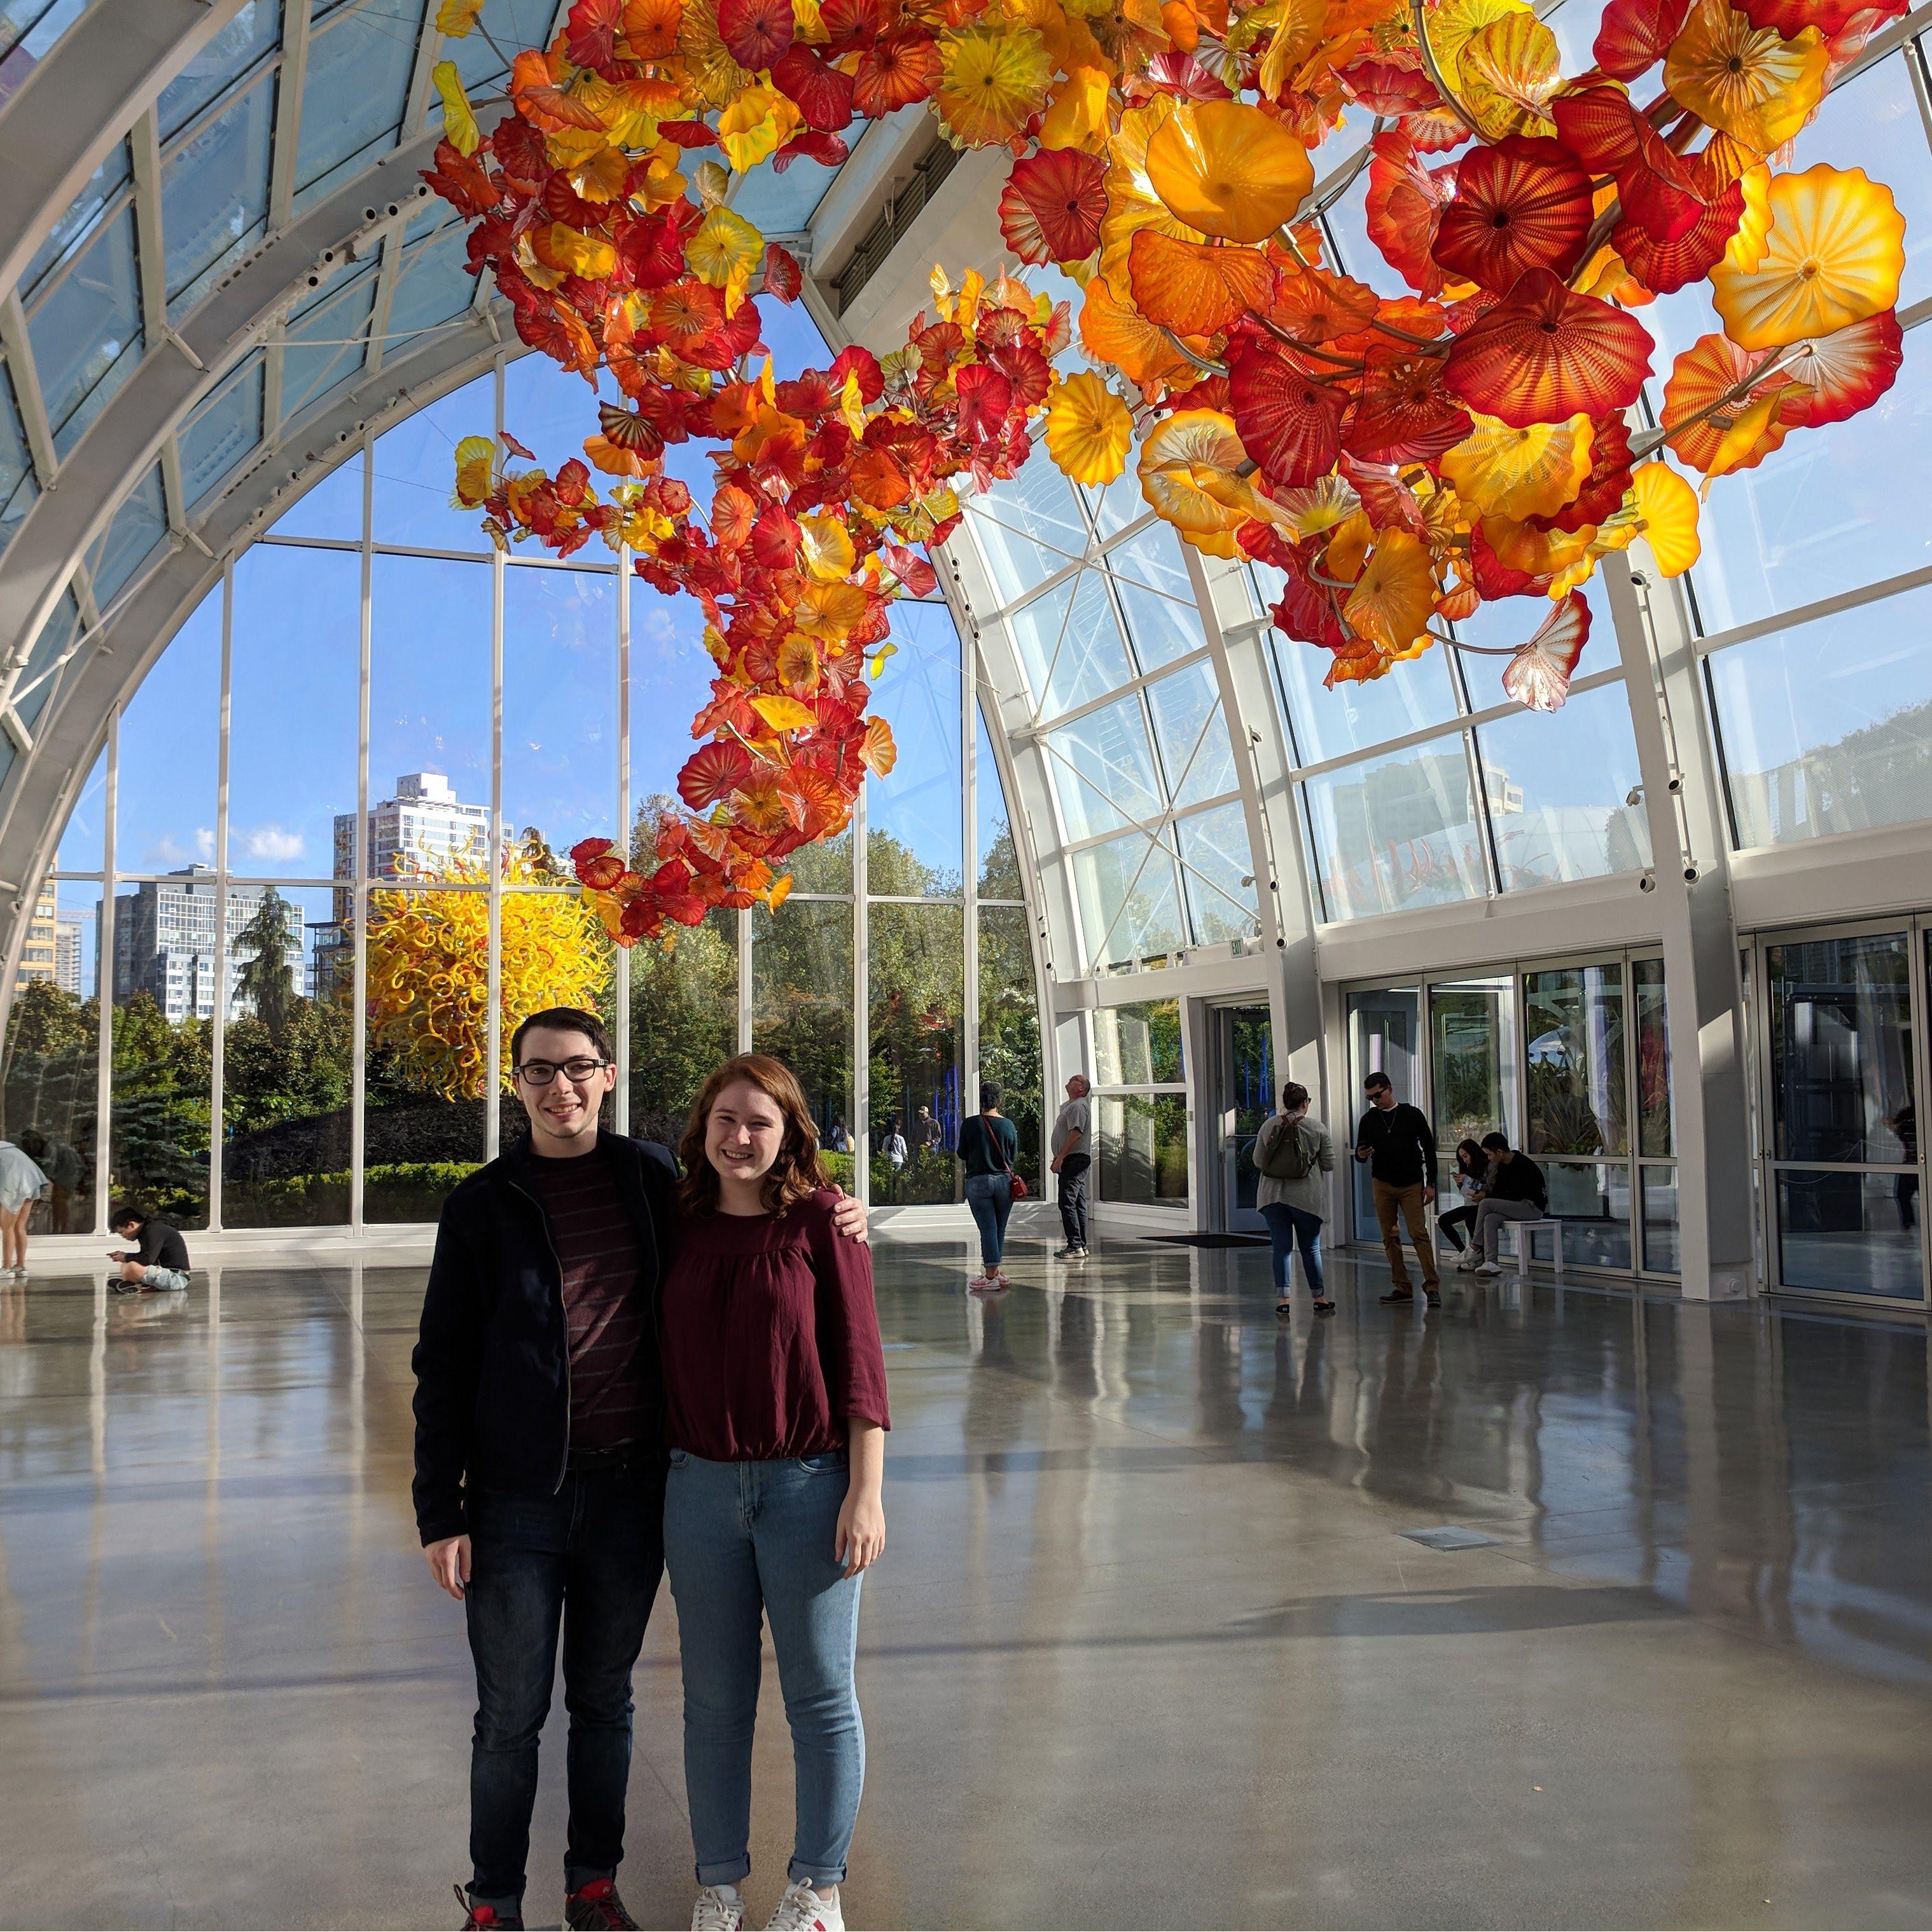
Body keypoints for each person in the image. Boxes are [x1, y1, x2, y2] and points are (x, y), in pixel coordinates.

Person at [413, 1007, 870, 1932]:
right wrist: (440, 1507)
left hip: (633, 1489)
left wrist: (853, 1210)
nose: (560, 1086)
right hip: (519, 1499)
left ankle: (594, 1883)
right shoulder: (482, 1203)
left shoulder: (650, 1179)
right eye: (539, 1071)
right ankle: (495, 1899)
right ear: (518, 1083)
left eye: (578, 1066)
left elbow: (773, 1216)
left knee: (605, 1701)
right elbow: (443, 1362)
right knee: (509, 1711)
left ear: (608, 1075)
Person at [662, 1055, 889, 1932]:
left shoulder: (827, 1223)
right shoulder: (675, 1221)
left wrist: (863, 1494)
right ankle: (718, 1885)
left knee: (820, 1694)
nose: (741, 1137)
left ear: (791, 1131)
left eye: (760, 1122)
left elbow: (861, 1362)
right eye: (726, 1119)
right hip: (697, 1491)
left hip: (810, 1486)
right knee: (713, 1700)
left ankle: (816, 1888)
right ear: (702, 1127)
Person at [1353, 1072, 1440, 1307]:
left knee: (1418, 1233)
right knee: (1390, 1236)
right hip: (1382, 1183)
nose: (1375, 1101)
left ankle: (1432, 1285)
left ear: (1389, 1089)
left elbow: (1429, 1148)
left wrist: (1431, 1183)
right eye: (1370, 1098)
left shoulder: (1411, 1114)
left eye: (1378, 1095)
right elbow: (1361, 1150)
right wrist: (1360, 1154)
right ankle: (1402, 1286)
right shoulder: (1369, 1119)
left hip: (1411, 1182)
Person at [1254, 1081, 1335, 1317]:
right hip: (1306, 1198)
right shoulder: (1317, 1128)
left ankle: (1283, 1300)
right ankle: (1319, 1298)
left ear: (1284, 1103)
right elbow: (1329, 1165)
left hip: (1272, 1197)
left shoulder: (1268, 1125)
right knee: (1310, 1249)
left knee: (1281, 1249)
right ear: (1304, 1103)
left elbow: (1258, 1160)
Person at [957, 1080, 1022, 1291]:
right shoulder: (1008, 1125)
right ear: (999, 1100)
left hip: (978, 1181)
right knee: (999, 1228)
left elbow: (962, 1153)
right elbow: (1012, 1155)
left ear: (981, 1100)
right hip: (1004, 1181)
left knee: (987, 1228)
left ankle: (991, 1276)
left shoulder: (970, 1124)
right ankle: (996, 1270)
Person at [1471, 1132, 1549, 1274]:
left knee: (1485, 1204)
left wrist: (1488, 1196)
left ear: (1499, 1152)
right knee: (1490, 1218)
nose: (1489, 1158)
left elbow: (1514, 1195)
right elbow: (1499, 1191)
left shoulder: (1522, 1164)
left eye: (1490, 1155)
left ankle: (1475, 1247)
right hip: (1518, 1206)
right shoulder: (1502, 1165)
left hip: (1532, 1207)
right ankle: (1491, 1262)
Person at [1048, 1074, 1092, 1260]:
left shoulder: (1078, 1106)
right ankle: (1081, 1244)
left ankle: (1074, 1245)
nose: (1069, 1080)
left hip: (1074, 1160)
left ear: (1082, 1088)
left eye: (1074, 1079)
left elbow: (1076, 1134)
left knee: (1067, 1202)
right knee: (1077, 1202)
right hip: (1074, 1159)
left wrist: (1061, 1157)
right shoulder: (1072, 1106)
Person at [106, 1201, 188, 1293]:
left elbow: (147, 1259)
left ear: (132, 1225)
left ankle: (140, 1286)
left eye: (122, 1232)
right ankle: (140, 1286)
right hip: (166, 1273)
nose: (123, 1236)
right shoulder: (147, 1230)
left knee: (131, 1267)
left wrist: (125, 1256)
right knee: (125, 1266)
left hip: (177, 1278)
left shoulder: (152, 1230)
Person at [1438, 1140, 1491, 1268]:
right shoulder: (1468, 1167)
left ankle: (1478, 1253)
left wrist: (1469, 1181)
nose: (1465, 1160)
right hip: (1471, 1203)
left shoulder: (1487, 1166)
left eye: (1466, 1156)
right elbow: (1468, 1193)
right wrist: (1461, 1183)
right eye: (1462, 1158)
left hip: (1484, 1204)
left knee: (1471, 1219)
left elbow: (1488, 1188)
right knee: (1443, 1220)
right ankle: (1464, 1253)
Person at [0, 1137, 46, 1279]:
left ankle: (6, 1268)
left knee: (7, 1226)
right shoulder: (9, 1149)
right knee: (19, 1226)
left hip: (16, 1184)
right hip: (31, 1181)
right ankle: (20, 1266)